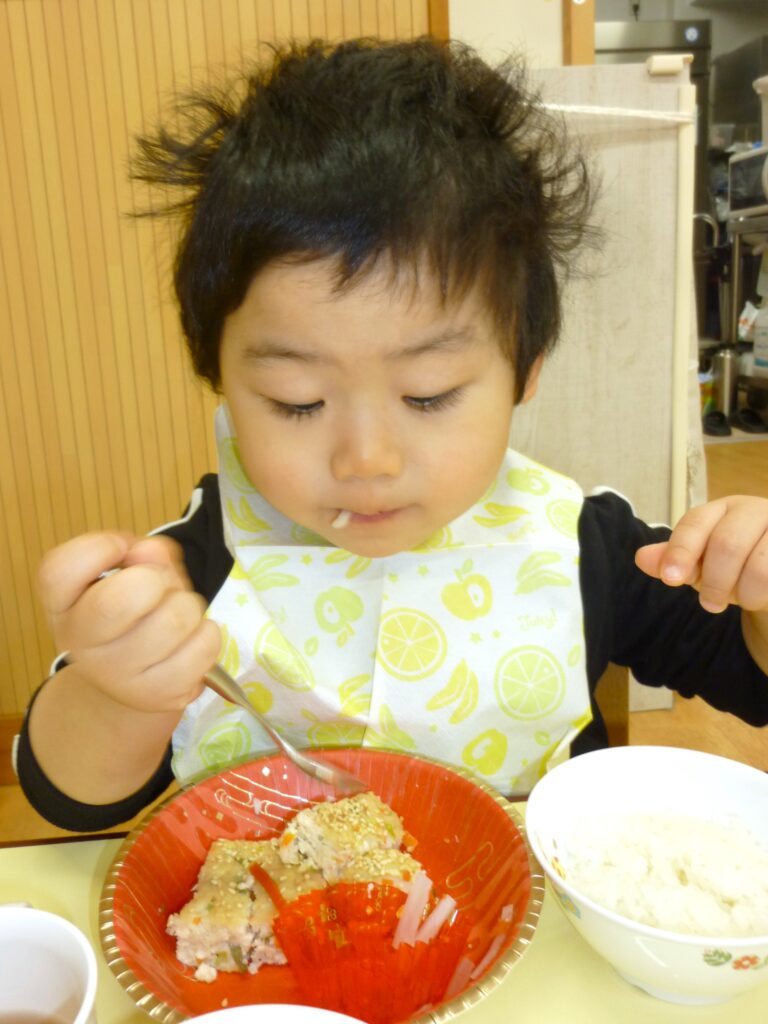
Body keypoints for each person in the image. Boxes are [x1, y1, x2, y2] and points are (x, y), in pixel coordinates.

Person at [16, 37, 768, 832]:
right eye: (297, 401)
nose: (366, 461)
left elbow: (751, 679)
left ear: (526, 368)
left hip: (527, 934)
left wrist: (756, 583)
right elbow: (66, 793)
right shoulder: (201, 563)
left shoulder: (584, 544)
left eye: (428, 394)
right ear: (223, 382)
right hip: (275, 936)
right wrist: (118, 690)